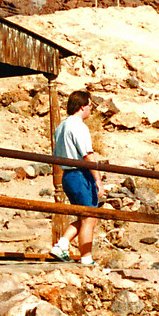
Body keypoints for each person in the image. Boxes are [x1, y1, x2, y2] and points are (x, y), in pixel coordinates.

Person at [49, 90, 105, 265]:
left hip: (67, 175)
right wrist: (97, 179)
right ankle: (86, 258)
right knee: (89, 217)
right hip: (80, 174)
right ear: (82, 107)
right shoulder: (78, 126)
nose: (90, 110)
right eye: (89, 106)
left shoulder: (61, 126)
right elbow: (87, 155)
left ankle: (63, 244)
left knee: (84, 216)